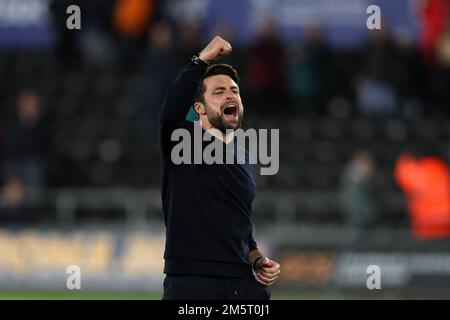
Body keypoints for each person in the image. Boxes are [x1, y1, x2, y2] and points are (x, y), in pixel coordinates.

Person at [159, 36, 281, 300]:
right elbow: (171, 109)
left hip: (243, 282)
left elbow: (240, 227)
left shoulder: (246, 157)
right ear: (199, 108)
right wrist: (202, 59)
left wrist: (257, 258)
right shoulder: (182, 142)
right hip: (193, 283)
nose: (230, 95)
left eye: (235, 91)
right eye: (219, 92)